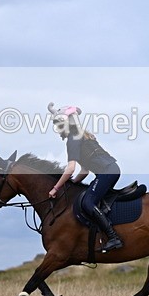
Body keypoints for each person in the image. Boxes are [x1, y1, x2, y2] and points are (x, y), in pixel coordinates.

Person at [46, 103, 123, 253]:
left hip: (107, 172)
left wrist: (56, 188)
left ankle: (113, 238)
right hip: (111, 170)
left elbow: (70, 168)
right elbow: (85, 171)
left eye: (59, 125)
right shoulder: (83, 136)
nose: (58, 130)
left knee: (88, 202)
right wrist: (73, 183)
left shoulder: (73, 138)